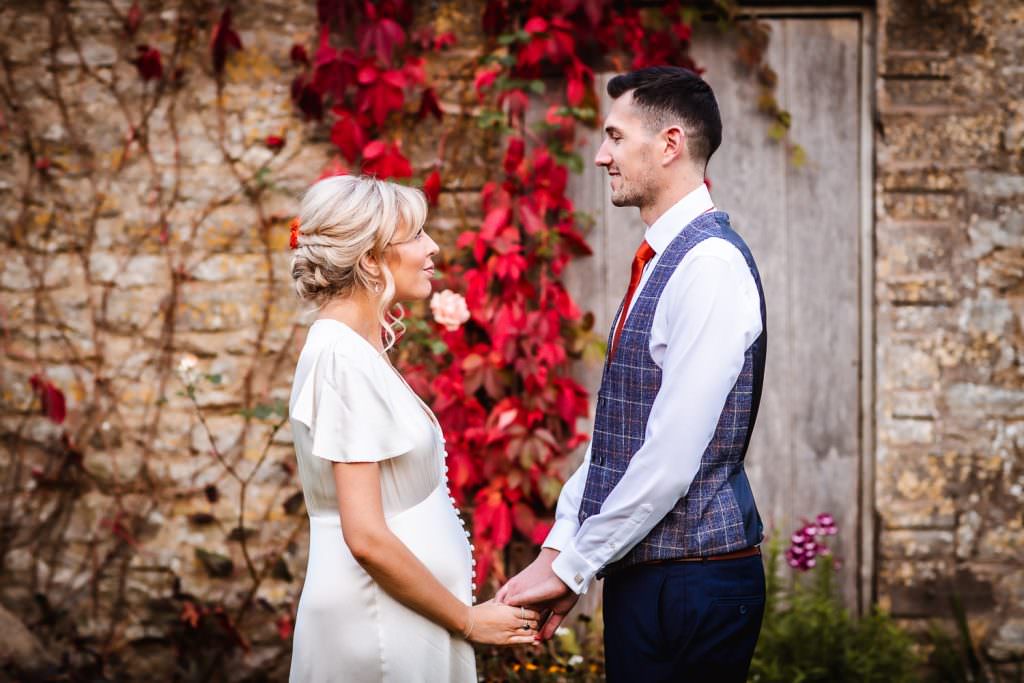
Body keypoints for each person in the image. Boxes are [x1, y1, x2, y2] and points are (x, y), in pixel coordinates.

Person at [498, 66, 769, 682]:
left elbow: (670, 457)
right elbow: (621, 439)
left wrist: (572, 567)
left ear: (670, 143)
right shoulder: (661, 259)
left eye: (616, 137)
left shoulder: (710, 267)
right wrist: (561, 549)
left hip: (695, 581)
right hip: (651, 576)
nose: (601, 156)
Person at [287, 175, 540, 683]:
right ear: (370, 260)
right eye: (417, 235)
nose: (433, 247)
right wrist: (468, 620)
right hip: (376, 627)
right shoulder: (340, 358)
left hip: (400, 619)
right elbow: (365, 536)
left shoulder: (354, 349)